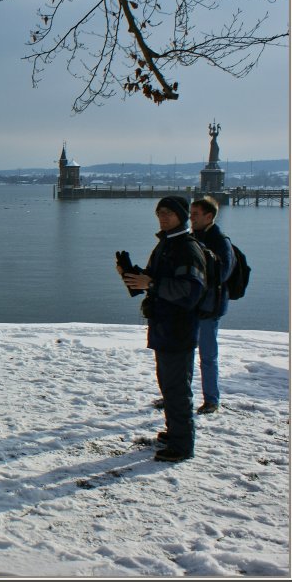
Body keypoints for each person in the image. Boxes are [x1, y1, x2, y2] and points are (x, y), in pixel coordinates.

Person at [120, 196, 207, 463]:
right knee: (168, 385)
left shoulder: (186, 248)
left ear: (182, 215)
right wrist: (131, 275)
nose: (163, 217)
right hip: (164, 326)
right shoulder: (167, 244)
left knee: (177, 387)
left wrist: (151, 284)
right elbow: (154, 279)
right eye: (159, 213)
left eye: (168, 212)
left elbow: (190, 291)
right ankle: (175, 433)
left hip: (178, 328)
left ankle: (182, 446)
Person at [189, 196, 234, 415]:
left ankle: (211, 399)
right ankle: (179, 394)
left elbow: (222, 274)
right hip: (190, 306)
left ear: (209, 216)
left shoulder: (221, 241)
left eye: (195, 214)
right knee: (184, 354)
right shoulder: (191, 238)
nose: (191, 218)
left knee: (207, 356)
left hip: (209, 308)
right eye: (190, 214)